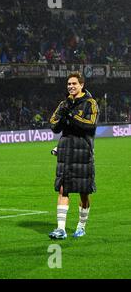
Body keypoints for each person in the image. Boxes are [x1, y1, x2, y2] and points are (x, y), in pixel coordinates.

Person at [48, 71, 99, 239]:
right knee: (63, 189)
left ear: (82, 85)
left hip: (83, 151)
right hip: (66, 151)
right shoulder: (64, 104)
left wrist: (70, 115)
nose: (71, 86)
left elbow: (90, 125)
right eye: (69, 84)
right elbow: (54, 125)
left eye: (74, 84)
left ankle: (81, 226)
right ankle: (61, 229)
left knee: (84, 192)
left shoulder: (91, 103)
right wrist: (64, 116)